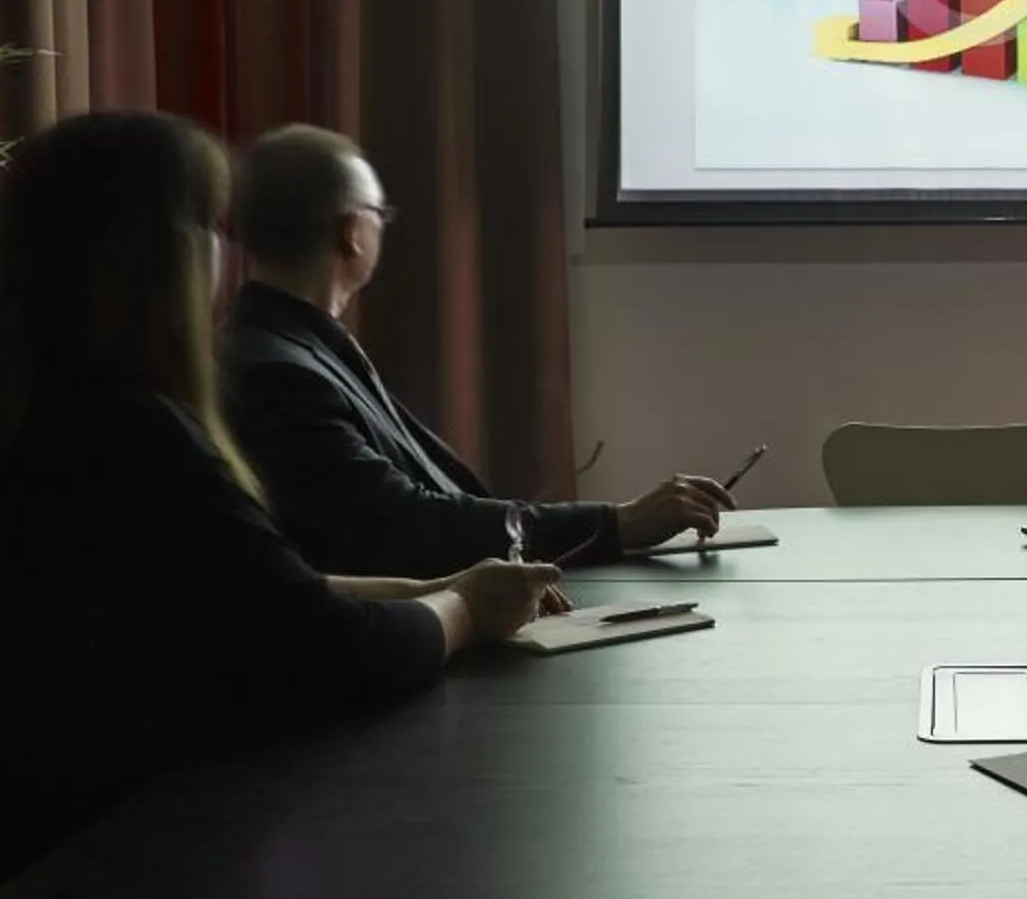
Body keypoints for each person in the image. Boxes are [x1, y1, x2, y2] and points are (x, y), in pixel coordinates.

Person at [0, 113, 567, 899]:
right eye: (210, 230)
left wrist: (435, 592)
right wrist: (465, 613)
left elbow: (242, 593)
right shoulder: (122, 437)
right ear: (158, 257)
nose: (226, 262)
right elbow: (319, 649)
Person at [219, 126, 729, 576]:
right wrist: (616, 523)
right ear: (353, 233)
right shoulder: (280, 373)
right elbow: (404, 525)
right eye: (380, 214)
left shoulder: (293, 344)